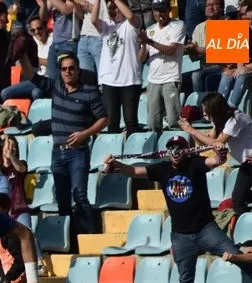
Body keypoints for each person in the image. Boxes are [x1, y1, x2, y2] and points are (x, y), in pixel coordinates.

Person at [105, 137, 252, 283]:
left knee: (236, 256)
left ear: (186, 151)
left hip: (206, 230)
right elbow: (134, 172)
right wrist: (117, 164)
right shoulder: (162, 169)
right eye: (171, 149)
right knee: (185, 279)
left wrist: (220, 151)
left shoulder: (195, 164)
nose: (175, 153)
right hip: (180, 236)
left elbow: (217, 161)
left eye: (179, 149)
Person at [24, 53, 108, 236]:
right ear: (60, 72)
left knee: (79, 196)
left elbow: (103, 119)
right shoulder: (56, 87)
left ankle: (91, 235)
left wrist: (85, 134)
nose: (68, 72)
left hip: (78, 152)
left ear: (78, 70)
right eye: (64, 69)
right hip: (57, 153)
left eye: (71, 68)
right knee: (62, 200)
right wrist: (22, 54)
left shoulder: (89, 92)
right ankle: (67, 239)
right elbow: (31, 76)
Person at [180, 92, 252, 213]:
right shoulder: (218, 121)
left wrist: (193, 131)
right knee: (237, 200)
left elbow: (217, 143)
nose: (204, 113)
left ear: (214, 109)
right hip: (248, 159)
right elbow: (205, 144)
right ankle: (244, 227)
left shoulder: (235, 119)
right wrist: (191, 131)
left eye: (206, 110)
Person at [93, 0, 142, 135]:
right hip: (109, 80)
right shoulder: (106, 25)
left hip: (130, 80)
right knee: (112, 122)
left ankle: (133, 154)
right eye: (110, 9)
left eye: (115, 8)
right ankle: (113, 154)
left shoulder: (131, 24)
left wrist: (115, 1)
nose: (112, 11)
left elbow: (131, 16)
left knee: (131, 121)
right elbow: (93, 19)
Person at [138, 0, 185, 132]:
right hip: (153, 80)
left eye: (163, 10)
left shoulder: (178, 25)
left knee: (173, 121)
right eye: (156, 10)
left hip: (171, 78)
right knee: (152, 123)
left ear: (169, 9)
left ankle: (178, 150)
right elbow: (141, 58)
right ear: (153, 11)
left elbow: (171, 50)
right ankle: (156, 151)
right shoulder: (150, 29)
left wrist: (149, 41)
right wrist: (142, 44)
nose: (160, 13)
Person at [218, 3, 252, 110]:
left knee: (243, 76)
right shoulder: (244, 31)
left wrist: (245, 69)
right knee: (226, 74)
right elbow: (240, 57)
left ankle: (231, 108)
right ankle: (218, 107)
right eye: (247, 19)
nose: (250, 22)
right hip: (248, 69)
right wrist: (239, 68)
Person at [185, 0, 224, 93]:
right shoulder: (199, 27)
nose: (210, 8)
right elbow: (194, 58)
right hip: (205, 67)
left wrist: (200, 50)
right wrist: (191, 50)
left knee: (196, 75)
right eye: (208, 5)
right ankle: (197, 105)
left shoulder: (228, 23)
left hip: (222, 67)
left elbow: (225, 52)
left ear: (222, 7)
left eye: (214, 4)